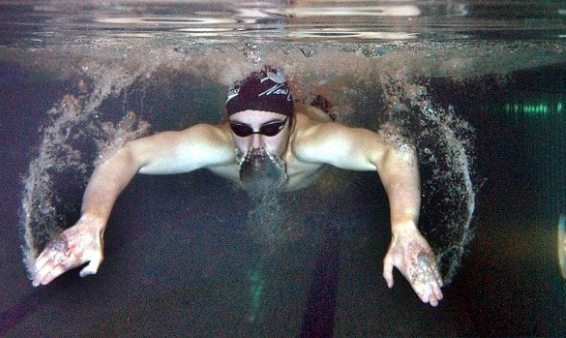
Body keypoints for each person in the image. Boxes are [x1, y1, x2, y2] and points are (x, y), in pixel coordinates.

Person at [32, 66, 444, 307]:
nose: (256, 144)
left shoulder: (315, 140)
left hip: (313, 116)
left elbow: (396, 153)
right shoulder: (212, 144)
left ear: (291, 124)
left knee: (322, 104)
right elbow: (126, 155)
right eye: (241, 129)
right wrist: (92, 221)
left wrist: (404, 226)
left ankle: (312, 101)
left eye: (271, 128)